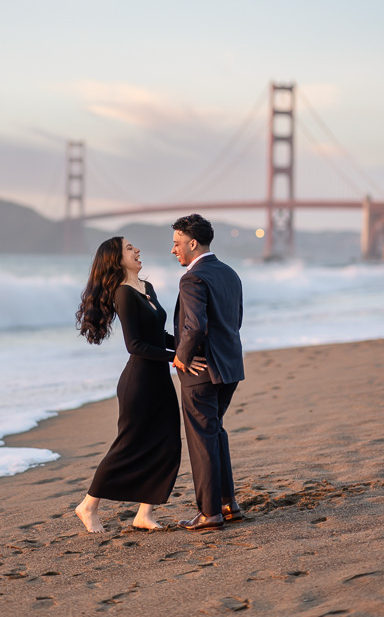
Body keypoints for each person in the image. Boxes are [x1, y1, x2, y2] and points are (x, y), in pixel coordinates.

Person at [75, 236, 202, 533]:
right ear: (117, 259)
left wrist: (191, 349)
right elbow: (136, 345)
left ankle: (144, 514)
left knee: (168, 443)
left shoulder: (147, 288)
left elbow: (160, 336)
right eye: (130, 248)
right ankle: (88, 506)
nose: (137, 250)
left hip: (158, 380)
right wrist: (177, 359)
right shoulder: (123, 293)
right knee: (128, 444)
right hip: (138, 382)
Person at [171, 213, 245, 531]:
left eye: (176, 244)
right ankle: (228, 504)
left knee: (202, 440)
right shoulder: (230, 274)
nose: (173, 250)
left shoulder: (192, 278)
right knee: (216, 434)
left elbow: (196, 325)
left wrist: (181, 357)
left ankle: (210, 512)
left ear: (192, 243)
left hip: (201, 372)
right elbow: (234, 321)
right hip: (230, 368)